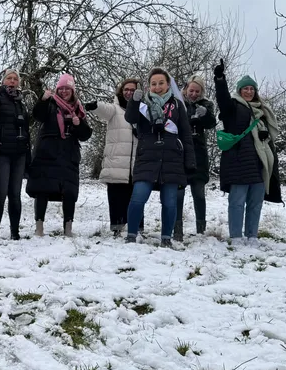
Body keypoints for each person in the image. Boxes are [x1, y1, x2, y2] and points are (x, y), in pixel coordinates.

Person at [124, 68, 196, 247]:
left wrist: (190, 161)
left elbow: (186, 135)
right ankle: (131, 235)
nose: (157, 87)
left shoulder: (178, 105)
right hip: (147, 157)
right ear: (149, 86)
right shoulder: (142, 103)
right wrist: (134, 101)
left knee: (170, 202)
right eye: (153, 84)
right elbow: (130, 118)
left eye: (161, 83)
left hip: (172, 158)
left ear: (168, 84)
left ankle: (166, 238)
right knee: (138, 197)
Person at [213, 60, 282, 245]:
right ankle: (235, 236)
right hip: (238, 161)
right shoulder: (233, 107)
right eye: (245, 89)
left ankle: (252, 235)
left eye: (252, 89)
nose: (249, 92)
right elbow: (222, 99)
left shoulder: (262, 110)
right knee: (237, 202)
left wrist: (264, 133)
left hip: (260, 161)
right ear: (240, 90)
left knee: (255, 202)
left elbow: (269, 137)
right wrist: (220, 79)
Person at [26, 73, 92, 237]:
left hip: (68, 155)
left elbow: (85, 135)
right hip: (46, 154)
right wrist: (43, 99)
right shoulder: (50, 103)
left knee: (69, 191)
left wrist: (79, 124)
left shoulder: (78, 108)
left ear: (72, 90)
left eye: (67, 88)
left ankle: (68, 229)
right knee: (42, 189)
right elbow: (38, 116)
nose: (63, 91)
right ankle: (39, 227)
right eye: (61, 88)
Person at [85, 78, 140, 237]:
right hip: (117, 161)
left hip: (136, 161)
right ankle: (117, 227)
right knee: (116, 195)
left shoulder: (142, 108)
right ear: (121, 91)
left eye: (132, 90)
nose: (129, 92)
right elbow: (104, 109)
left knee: (135, 197)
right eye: (126, 89)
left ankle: (136, 227)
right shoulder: (115, 109)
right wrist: (95, 106)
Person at [0, 69, 30, 240]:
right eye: (9, 78)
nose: (12, 81)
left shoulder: (21, 102)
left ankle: (15, 232)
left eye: (15, 79)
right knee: (0, 193)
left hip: (18, 153)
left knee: (15, 194)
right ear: (3, 81)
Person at [173, 75, 216, 240]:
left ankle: (201, 229)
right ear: (185, 90)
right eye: (191, 90)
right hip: (180, 154)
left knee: (199, 193)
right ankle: (177, 229)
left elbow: (211, 123)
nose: (194, 94)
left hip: (199, 156)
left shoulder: (206, 105)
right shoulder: (178, 103)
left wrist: (204, 115)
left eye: (197, 91)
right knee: (178, 194)